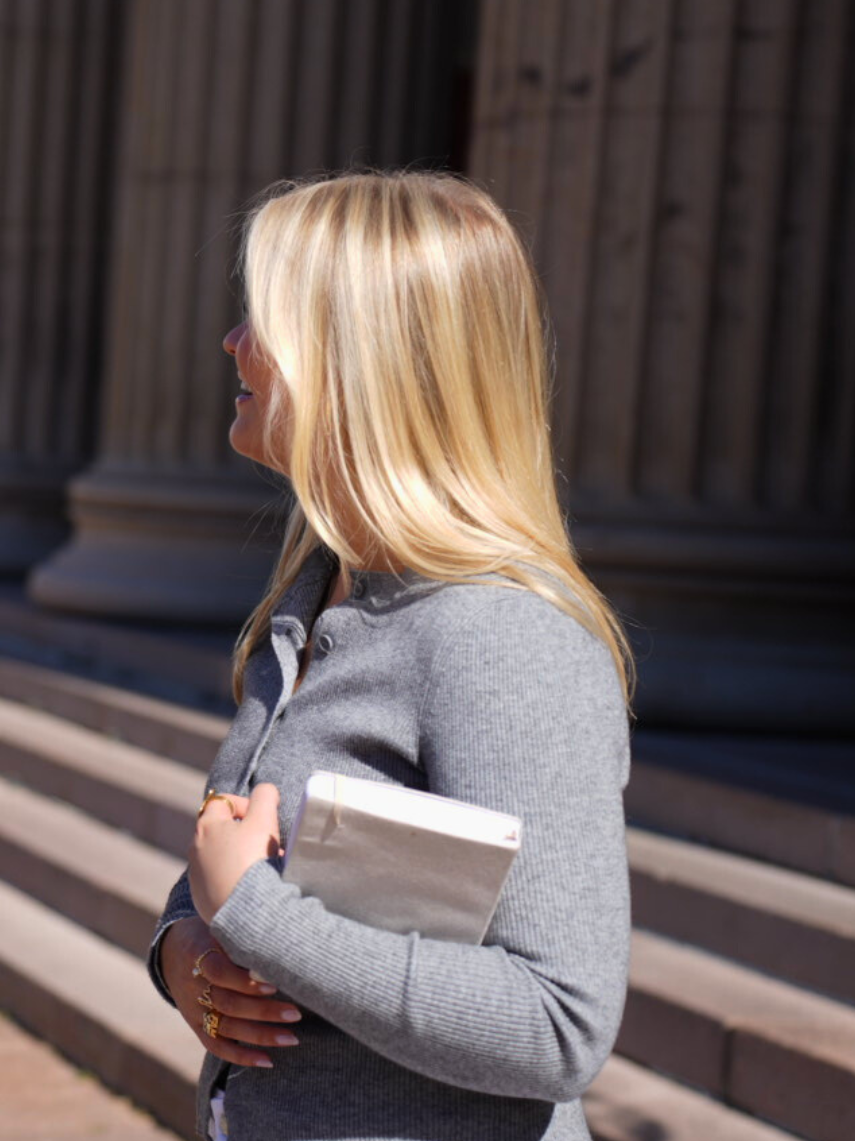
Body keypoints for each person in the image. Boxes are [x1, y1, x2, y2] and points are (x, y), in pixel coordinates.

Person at [149, 172, 635, 1141]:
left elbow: (560, 1025)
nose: (234, 340)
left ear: (361, 358)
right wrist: (181, 952)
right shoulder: (316, 598)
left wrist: (252, 915)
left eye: (268, 318)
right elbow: (241, 861)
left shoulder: (501, 638)